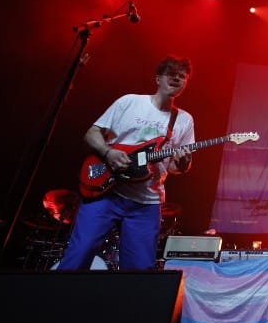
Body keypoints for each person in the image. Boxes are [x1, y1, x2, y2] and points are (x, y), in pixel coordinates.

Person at [56, 55, 196, 271]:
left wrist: (184, 162)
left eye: (182, 76)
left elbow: (173, 168)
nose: (177, 79)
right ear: (158, 78)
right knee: (77, 258)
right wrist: (108, 152)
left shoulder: (184, 120)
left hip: (146, 203)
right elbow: (92, 133)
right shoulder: (130, 101)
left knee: (139, 272)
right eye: (172, 74)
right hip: (107, 192)